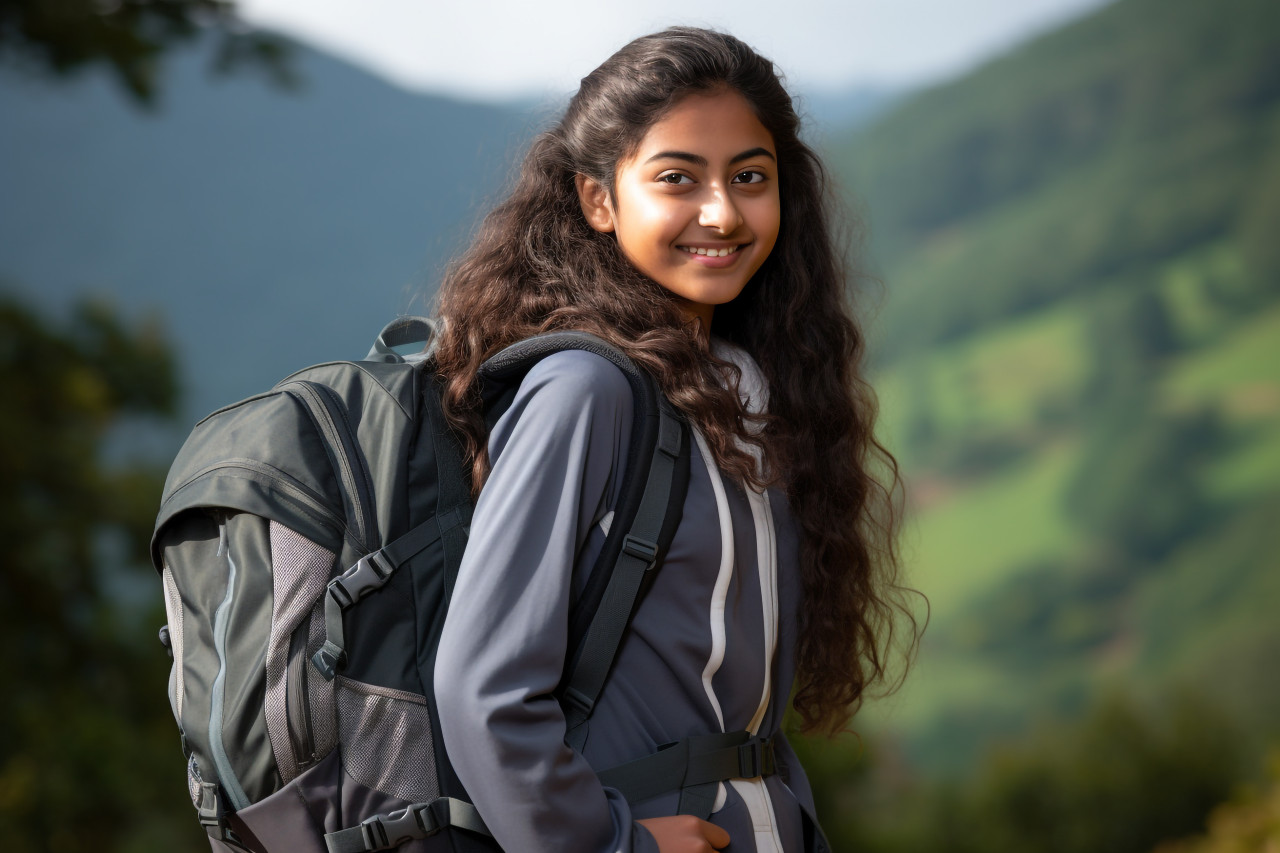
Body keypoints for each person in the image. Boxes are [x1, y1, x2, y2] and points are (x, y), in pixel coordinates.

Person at [430, 27, 916, 853]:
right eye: (677, 179)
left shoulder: (754, 382)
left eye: (750, 178)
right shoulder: (584, 393)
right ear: (599, 200)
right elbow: (481, 688)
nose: (722, 213)